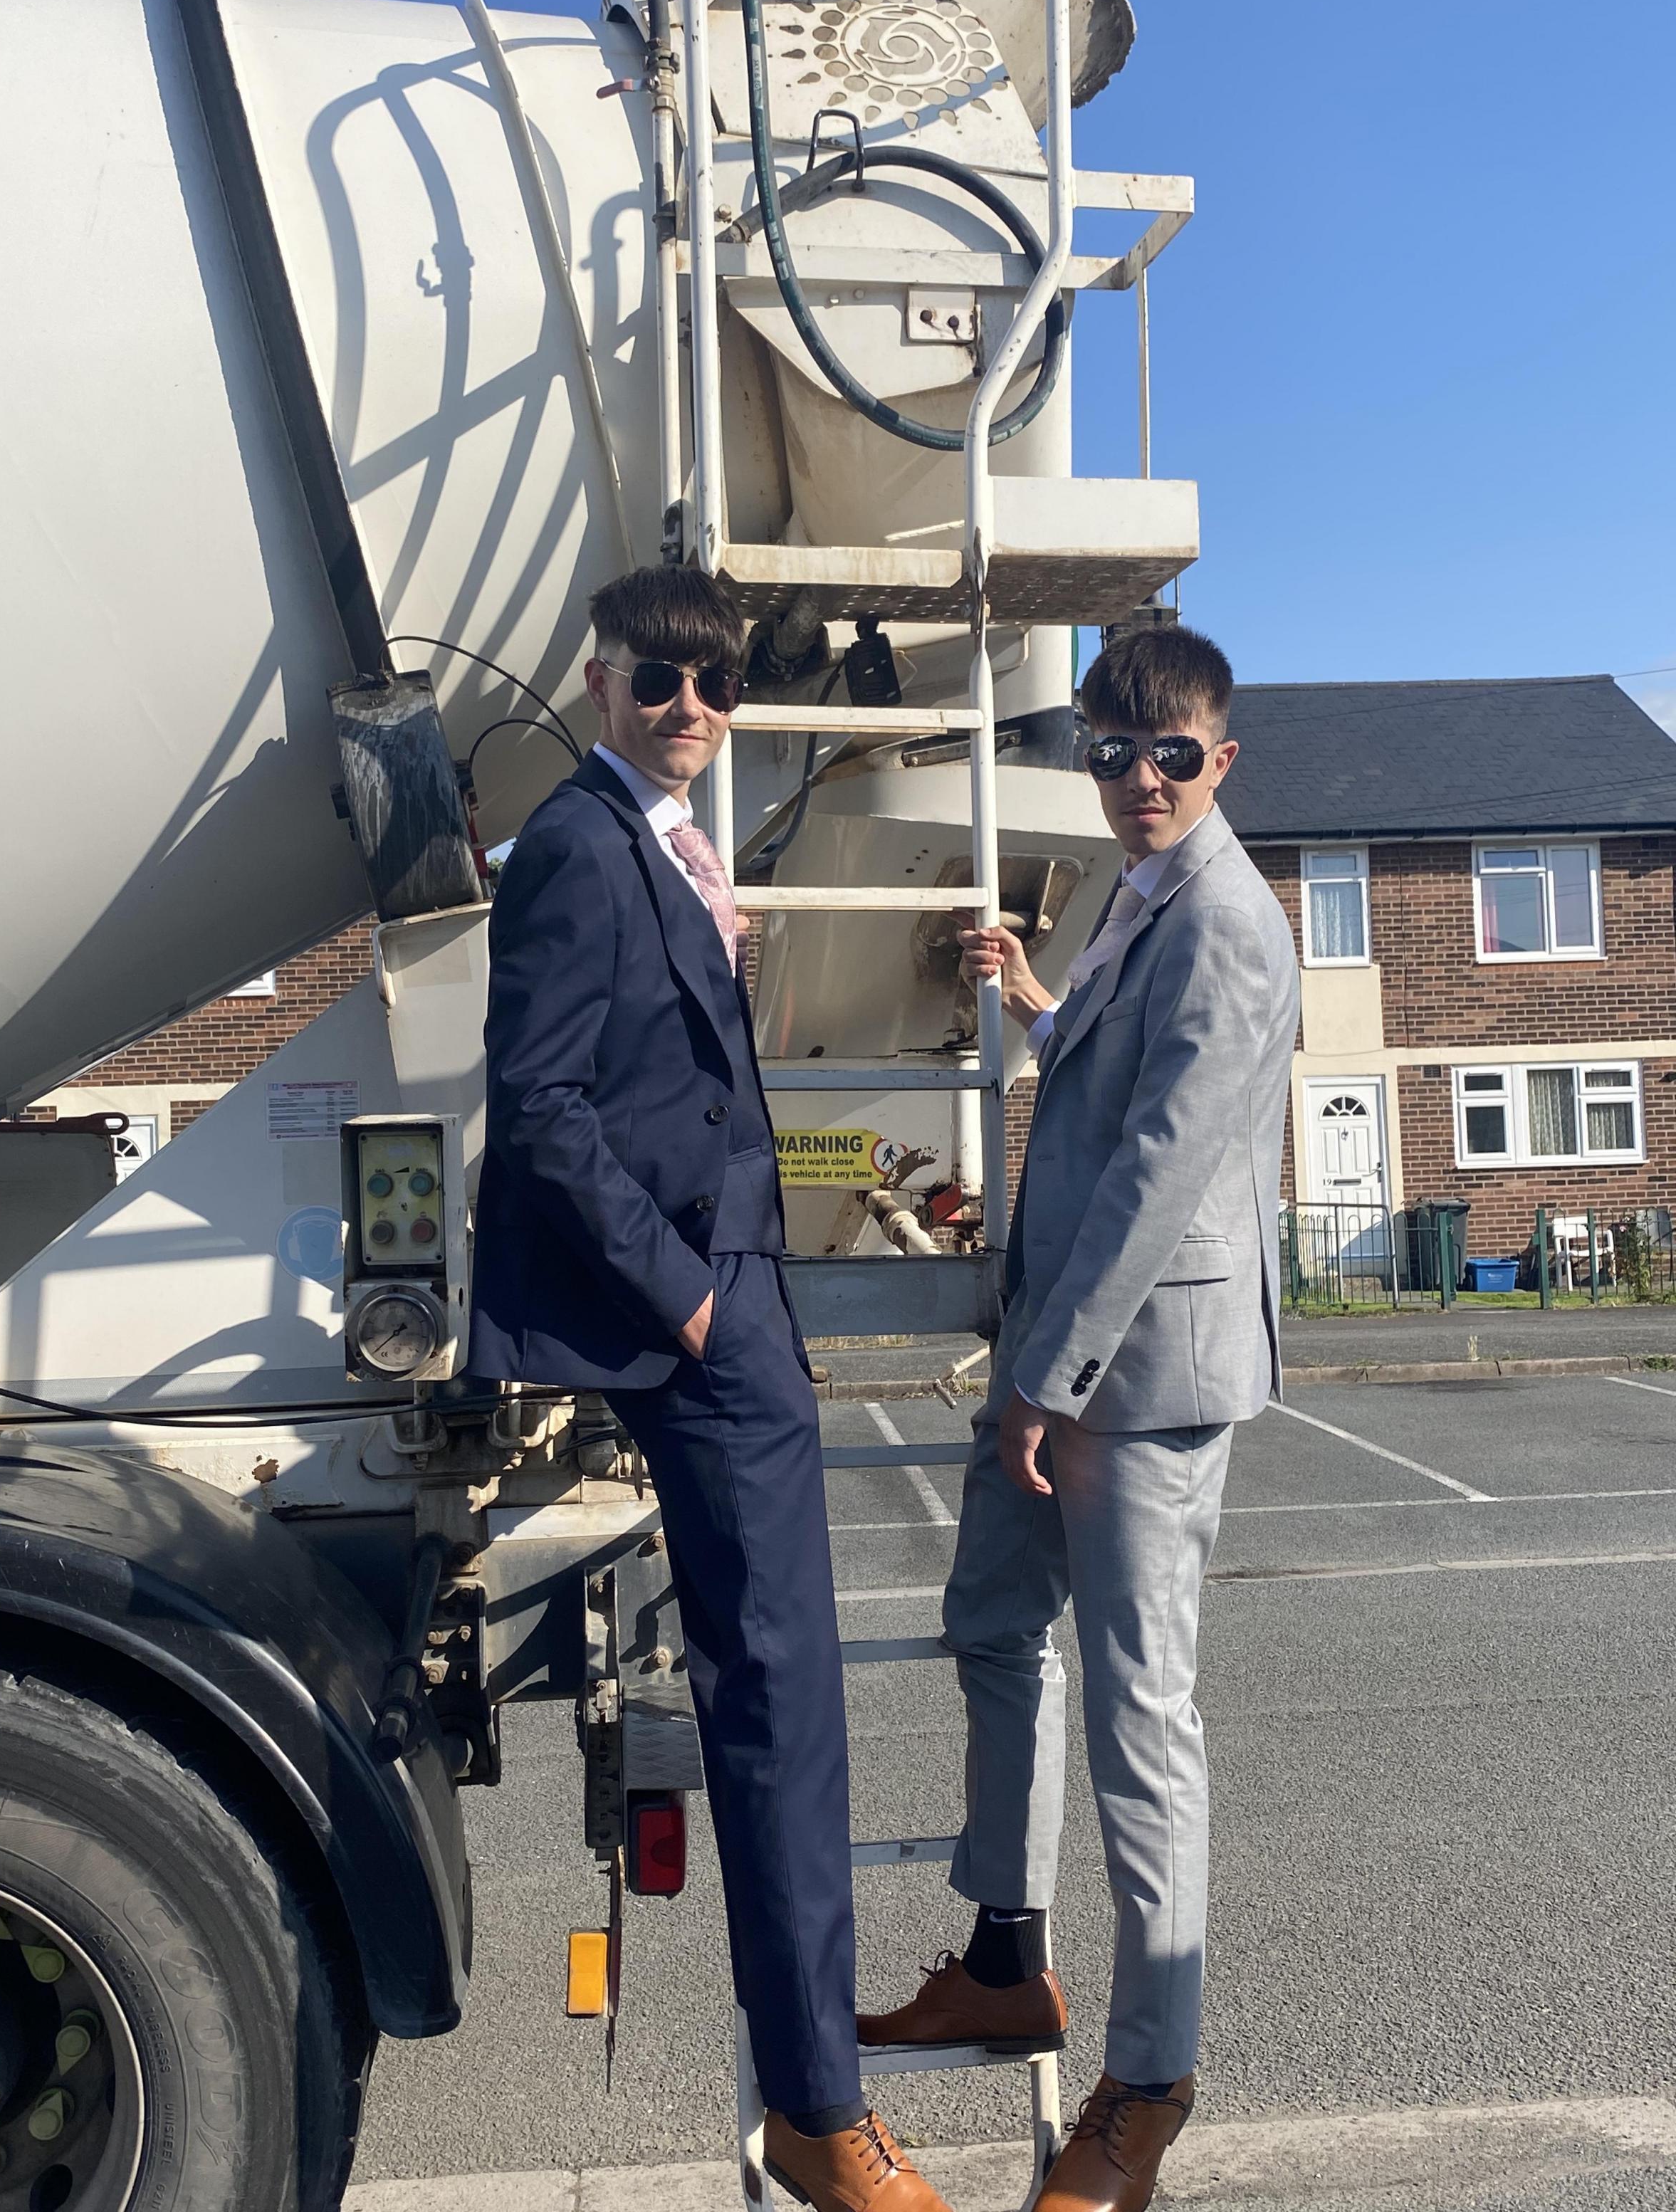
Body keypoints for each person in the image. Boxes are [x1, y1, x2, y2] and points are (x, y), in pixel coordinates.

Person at [469, 566, 953, 2212]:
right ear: (599, 682)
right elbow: (538, 1108)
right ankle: (820, 2112)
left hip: (742, 1295)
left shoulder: (666, 847)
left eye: (717, 687)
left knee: (789, 1700)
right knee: (777, 1707)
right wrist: (684, 1301)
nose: (691, 710)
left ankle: (823, 2090)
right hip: (696, 1305)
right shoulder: (575, 847)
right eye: (659, 682)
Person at [859, 624, 1300, 2212]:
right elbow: (1098, 1077)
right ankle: (1003, 1954)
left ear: (1219, 759)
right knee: (991, 1624)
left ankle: (1152, 2077)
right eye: (1111, 754)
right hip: (1060, 1354)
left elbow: (1155, 1171)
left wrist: (1046, 1378)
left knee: (1140, 1721)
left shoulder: (1232, 923)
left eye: (1168, 755)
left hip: (1142, 1375)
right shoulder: (1139, 894)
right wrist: (1032, 994)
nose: (1137, 782)